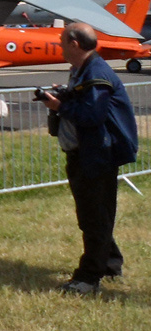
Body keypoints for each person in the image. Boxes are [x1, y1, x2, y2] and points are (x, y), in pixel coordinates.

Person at [37, 22, 139, 295]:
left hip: (96, 155)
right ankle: (110, 262)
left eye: (61, 41)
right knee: (95, 214)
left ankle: (88, 278)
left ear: (74, 44)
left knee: (94, 216)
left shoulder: (96, 72)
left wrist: (60, 105)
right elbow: (88, 106)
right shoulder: (83, 71)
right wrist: (68, 94)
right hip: (87, 153)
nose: (59, 45)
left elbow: (92, 116)